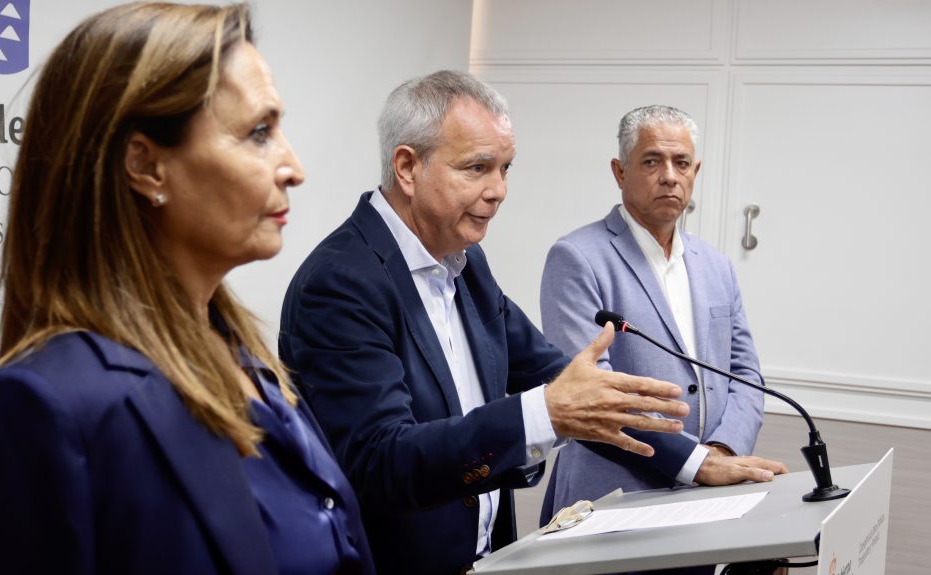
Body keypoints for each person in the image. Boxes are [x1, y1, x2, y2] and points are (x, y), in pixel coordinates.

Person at [0, 4, 374, 574]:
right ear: (145, 166)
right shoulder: (45, 410)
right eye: (259, 133)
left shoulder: (252, 363)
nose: (293, 166)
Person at [279, 71, 704, 575]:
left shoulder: (466, 264)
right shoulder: (341, 282)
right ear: (408, 167)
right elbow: (379, 462)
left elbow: (563, 380)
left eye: (505, 168)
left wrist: (698, 463)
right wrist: (542, 414)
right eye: (478, 168)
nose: (498, 190)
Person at [539, 105, 787, 572]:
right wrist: (696, 461)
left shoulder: (716, 265)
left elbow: (746, 374)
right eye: (652, 161)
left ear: (696, 172)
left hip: (707, 495)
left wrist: (722, 452)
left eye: (682, 163)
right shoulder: (577, 257)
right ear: (620, 171)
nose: (669, 176)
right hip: (613, 498)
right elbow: (593, 393)